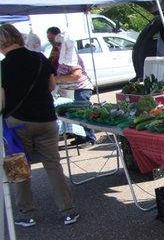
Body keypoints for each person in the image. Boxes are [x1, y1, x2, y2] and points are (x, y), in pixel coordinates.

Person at [0, 24, 79, 226]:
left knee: (19, 167)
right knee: (53, 165)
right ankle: (67, 211)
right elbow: (52, 86)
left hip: (17, 123)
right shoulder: (39, 58)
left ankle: (26, 214)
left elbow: (1, 99)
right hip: (46, 119)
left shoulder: (3, 66)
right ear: (19, 37)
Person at [53, 32, 96, 146]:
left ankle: (90, 138)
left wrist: (57, 78)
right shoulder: (61, 57)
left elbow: (76, 75)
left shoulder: (71, 57)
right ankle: (81, 136)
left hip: (81, 88)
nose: (56, 47)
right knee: (76, 114)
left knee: (84, 114)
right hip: (71, 90)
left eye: (58, 45)